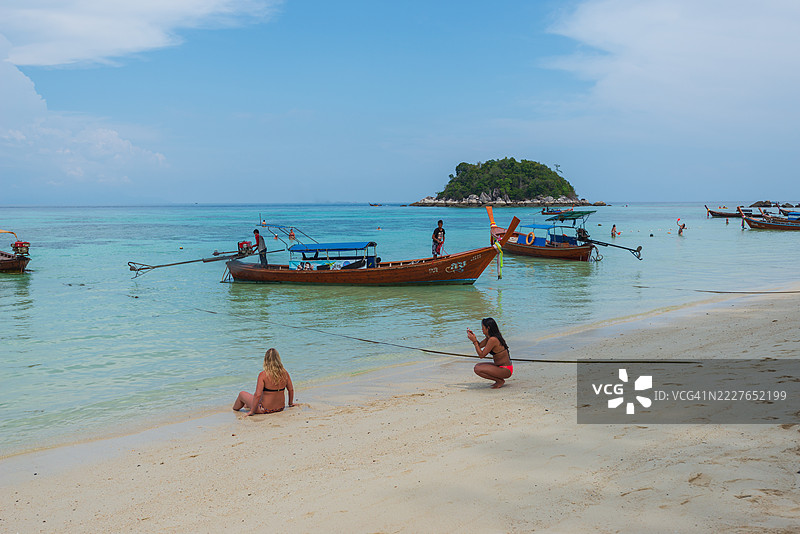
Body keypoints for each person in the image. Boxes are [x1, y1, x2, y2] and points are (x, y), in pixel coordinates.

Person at [233, 348, 295, 415]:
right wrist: (290, 403)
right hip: (280, 408)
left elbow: (257, 395)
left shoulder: (263, 375)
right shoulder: (285, 373)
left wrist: (252, 412)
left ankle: (234, 409)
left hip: (265, 409)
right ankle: (246, 405)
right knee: (248, 403)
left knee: (242, 394)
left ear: (266, 360)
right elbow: (291, 390)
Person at [467, 318, 512, 389]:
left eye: (483, 327)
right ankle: (499, 380)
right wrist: (474, 339)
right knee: (478, 365)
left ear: (488, 328)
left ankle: (499, 381)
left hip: (506, 369)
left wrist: (474, 342)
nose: (481, 329)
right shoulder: (490, 338)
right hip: (500, 367)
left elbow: (481, 355)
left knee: (477, 369)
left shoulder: (493, 340)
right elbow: (479, 346)